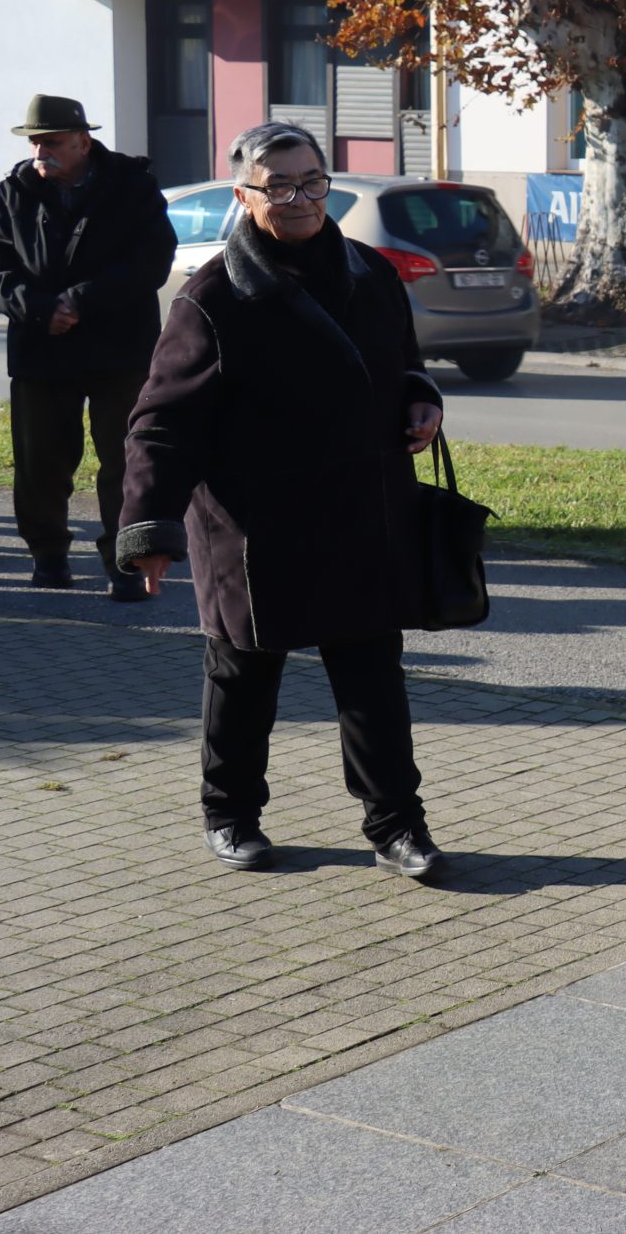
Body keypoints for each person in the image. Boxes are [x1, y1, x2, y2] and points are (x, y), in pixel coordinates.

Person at [114, 122, 450, 880]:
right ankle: (230, 814)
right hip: (253, 526)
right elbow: (162, 422)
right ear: (244, 196)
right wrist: (149, 528)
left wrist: (421, 401)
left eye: (311, 182)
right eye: (279, 186)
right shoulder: (213, 295)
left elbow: (404, 362)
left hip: (361, 514)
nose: (299, 199)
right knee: (243, 677)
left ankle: (397, 826)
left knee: (372, 679)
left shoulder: (370, 271)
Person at [0, 94, 176, 598]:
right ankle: (49, 556)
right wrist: (39, 308)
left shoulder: (133, 187)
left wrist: (80, 301)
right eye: (35, 142)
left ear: (83, 143)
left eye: (51, 142)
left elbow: (152, 260)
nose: (40, 152)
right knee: (40, 462)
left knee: (126, 460)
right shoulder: (12, 193)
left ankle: (125, 562)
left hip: (120, 350)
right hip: (42, 348)